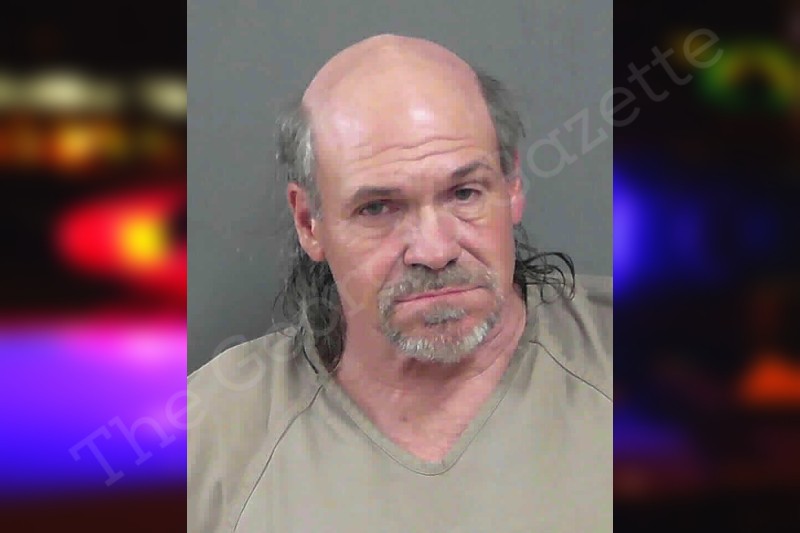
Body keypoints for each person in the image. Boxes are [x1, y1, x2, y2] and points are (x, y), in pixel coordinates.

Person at [188, 34, 612, 532]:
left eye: (464, 193)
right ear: (308, 222)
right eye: (377, 208)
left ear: (512, 185)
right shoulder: (210, 434)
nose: (434, 250)